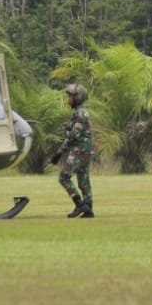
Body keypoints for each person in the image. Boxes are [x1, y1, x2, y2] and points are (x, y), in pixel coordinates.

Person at [52, 83, 96, 219]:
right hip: (85, 150)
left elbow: (73, 135)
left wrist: (59, 152)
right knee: (83, 181)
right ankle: (88, 209)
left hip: (80, 150)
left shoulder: (80, 114)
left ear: (77, 98)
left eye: (69, 97)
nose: (67, 100)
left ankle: (79, 204)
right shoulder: (79, 113)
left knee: (64, 177)